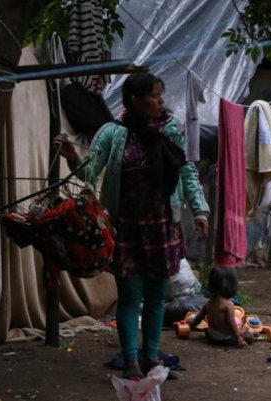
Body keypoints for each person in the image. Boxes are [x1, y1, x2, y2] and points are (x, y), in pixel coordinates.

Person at [54, 73, 210, 379]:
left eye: (161, 94)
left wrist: (200, 210)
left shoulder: (171, 129)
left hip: (163, 227)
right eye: (155, 95)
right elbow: (91, 172)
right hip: (126, 229)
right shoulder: (112, 133)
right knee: (130, 297)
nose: (161, 101)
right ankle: (131, 360)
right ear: (136, 101)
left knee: (156, 297)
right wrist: (74, 157)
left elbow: (186, 170)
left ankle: (150, 356)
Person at [189, 267, 254, 347]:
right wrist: (239, 338)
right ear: (230, 285)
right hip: (226, 339)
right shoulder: (228, 304)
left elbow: (198, 318)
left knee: (243, 330)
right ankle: (249, 333)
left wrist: (191, 326)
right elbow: (231, 322)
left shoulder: (208, 303)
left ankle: (244, 332)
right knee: (249, 335)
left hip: (211, 337)